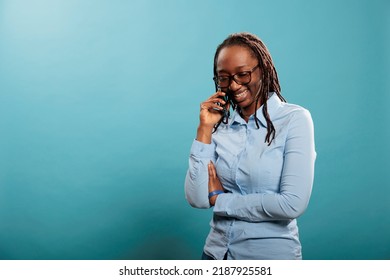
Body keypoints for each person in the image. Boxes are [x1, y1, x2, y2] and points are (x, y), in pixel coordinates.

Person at [184, 32, 316, 260]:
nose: (233, 85)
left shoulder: (294, 120)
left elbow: (292, 204)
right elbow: (197, 198)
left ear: (263, 69)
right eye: (223, 78)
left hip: (267, 258)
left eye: (243, 74)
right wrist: (204, 129)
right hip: (215, 254)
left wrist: (220, 199)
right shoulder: (219, 126)